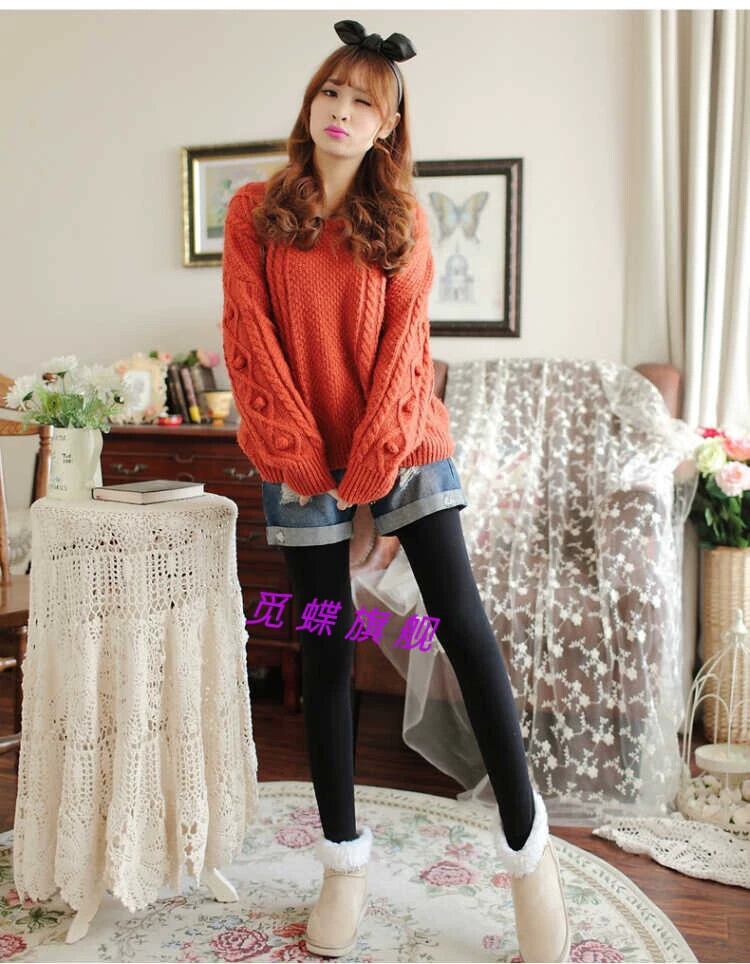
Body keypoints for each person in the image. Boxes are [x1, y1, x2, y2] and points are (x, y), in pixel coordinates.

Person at [221, 19, 570, 963]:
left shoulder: (402, 225)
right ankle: (343, 864)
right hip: (297, 452)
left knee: (462, 627)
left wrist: (370, 486)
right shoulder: (255, 211)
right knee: (324, 643)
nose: (341, 110)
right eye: (330, 92)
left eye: (363, 101)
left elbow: (404, 361)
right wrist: (310, 470)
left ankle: (529, 856)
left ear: (388, 126)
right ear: (311, 104)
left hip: (404, 442)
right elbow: (249, 342)